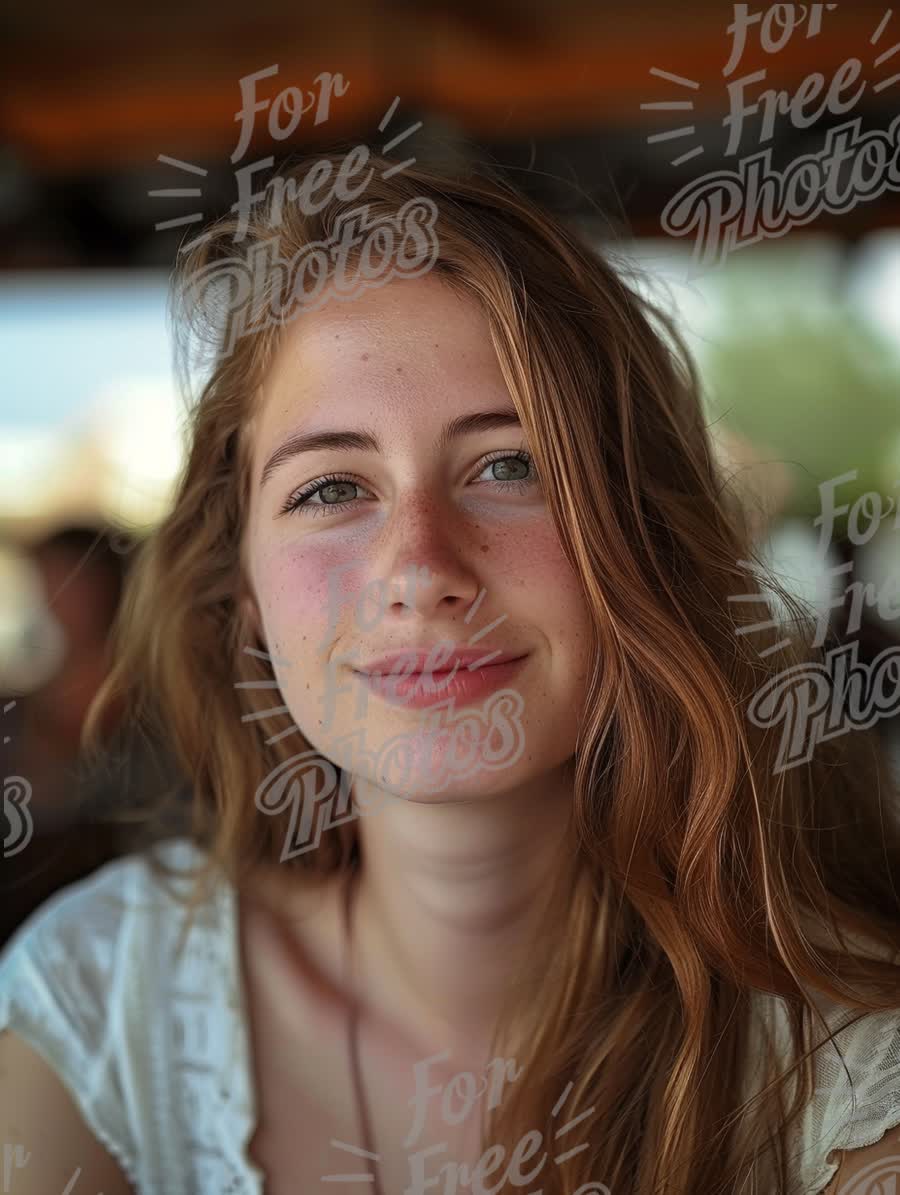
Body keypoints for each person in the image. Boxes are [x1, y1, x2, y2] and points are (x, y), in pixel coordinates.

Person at [0, 150, 898, 1195]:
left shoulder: (843, 1065)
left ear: (645, 542)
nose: (420, 567)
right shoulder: (101, 1001)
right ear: (241, 591)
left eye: (510, 465)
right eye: (333, 486)